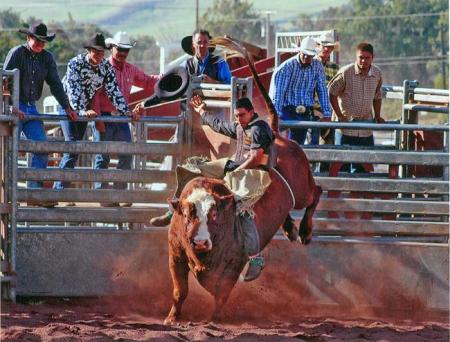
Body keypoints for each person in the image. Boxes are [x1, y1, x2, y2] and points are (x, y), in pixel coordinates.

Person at [151, 95, 275, 282]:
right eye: (236, 116)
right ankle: (172, 211)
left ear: (251, 113)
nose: (238, 119)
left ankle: (255, 258)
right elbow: (219, 125)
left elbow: (255, 158)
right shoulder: (241, 125)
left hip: (254, 173)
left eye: (241, 115)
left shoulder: (259, 128)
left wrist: (233, 173)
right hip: (233, 165)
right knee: (191, 169)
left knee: (241, 209)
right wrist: (202, 111)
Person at [3, 22, 77, 207]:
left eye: (43, 41)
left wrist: (66, 106)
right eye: (37, 40)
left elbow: (56, 85)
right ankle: (5, 195)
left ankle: (33, 194)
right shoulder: (17, 53)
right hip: (13, 106)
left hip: (30, 106)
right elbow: (4, 81)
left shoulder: (47, 58)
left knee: (41, 147)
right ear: (29, 38)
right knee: (6, 149)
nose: (40, 44)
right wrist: (9, 106)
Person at [88, 32, 160, 206]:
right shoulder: (103, 67)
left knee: (126, 155)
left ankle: (119, 193)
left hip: (121, 117)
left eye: (126, 50)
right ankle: (102, 195)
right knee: (102, 156)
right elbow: (94, 94)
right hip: (104, 116)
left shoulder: (130, 69)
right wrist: (98, 118)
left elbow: (149, 81)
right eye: (120, 49)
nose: (123, 53)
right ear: (112, 48)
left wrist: (167, 77)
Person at [53, 33, 129, 190]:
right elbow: (73, 90)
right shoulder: (75, 63)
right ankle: (58, 189)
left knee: (76, 148)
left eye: (102, 52)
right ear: (89, 50)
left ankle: (60, 189)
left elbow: (114, 91)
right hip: (68, 107)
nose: (100, 55)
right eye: (97, 51)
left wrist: (126, 111)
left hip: (86, 109)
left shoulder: (105, 67)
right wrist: (82, 109)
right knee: (73, 147)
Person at [328, 42, 384, 173]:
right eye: (361, 57)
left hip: (365, 127)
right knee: (341, 166)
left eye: (367, 58)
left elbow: (377, 95)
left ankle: (359, 193)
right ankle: (339, 192)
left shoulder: (377, 73)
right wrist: (339, 115)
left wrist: (377, 115)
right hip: (346, 127)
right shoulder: (346, 72)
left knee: (364, 166)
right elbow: (331, 92)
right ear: (356, 57)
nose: (363, 61)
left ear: (372, 57)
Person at [269, 36, 332, 146]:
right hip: (286, 110)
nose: (307, 57)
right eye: (305, 54)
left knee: (298, 145)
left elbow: (322, 90)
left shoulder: (317, 67)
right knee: (281, 143)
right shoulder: (286, 68)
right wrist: (277, 115)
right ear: (299, 51)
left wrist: (327, 113)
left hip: (305, 111)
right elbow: (278, 94)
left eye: (310, 55)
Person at [313, 31, 340, 146]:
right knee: (312, 142)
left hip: (328, 111)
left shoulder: (334, 67)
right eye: (324, 46)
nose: (326, 49)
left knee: (328, 144)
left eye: (329, 47)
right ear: (319, 46)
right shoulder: (311, 63)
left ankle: (323, 164)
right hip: (312, 110)